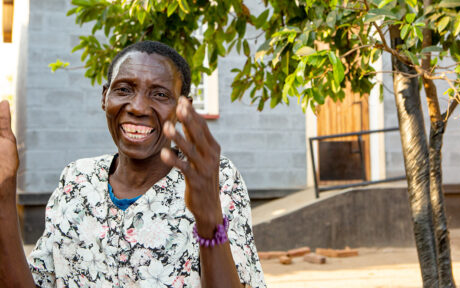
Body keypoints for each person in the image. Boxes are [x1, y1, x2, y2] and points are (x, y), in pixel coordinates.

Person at [0, 41, 266, 288]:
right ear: (105, 97)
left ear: (183, 108)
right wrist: (4, 192)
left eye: (160, 94)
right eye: (124, 89)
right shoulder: (76, 180)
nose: (138, 107)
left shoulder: (211, 177)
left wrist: (209, 220)